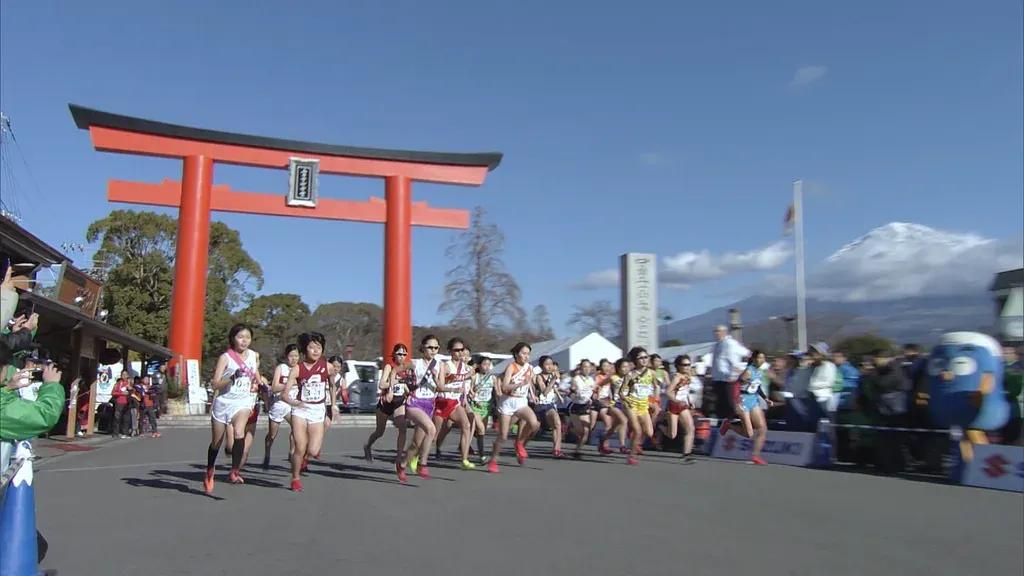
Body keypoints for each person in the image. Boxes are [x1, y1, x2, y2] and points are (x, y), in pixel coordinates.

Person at [203, 323, 265, 494]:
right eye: (240, 337)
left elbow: (256, 374)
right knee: (217, 442)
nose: (244, 341)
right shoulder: (226, 357)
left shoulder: (253, 355)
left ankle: (235, 471)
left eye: (247, 337)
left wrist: (262, 386)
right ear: (233, 338)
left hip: (243, 401)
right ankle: (210, 470)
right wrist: (231, 378)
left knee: (239, 433)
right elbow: (215, 384)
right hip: (224, 402)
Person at [282, 332, 335, 492]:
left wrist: (333, 405)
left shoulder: (328, 367)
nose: (315, 351)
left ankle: (305, 459)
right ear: (305, 349)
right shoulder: (297, 369)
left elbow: (333, 386)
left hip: (318, 410)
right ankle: (296, 478)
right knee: (300, 446)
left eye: (318, 347)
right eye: (311, 347)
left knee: (312, 450)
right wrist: (293, 402)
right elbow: (284, 394)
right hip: (301, 410)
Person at [364, 343, 415, 482]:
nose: (402, 357)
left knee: (403, 428)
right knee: (380, 432)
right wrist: (397, 381)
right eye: (399, 354)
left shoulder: (407, 368)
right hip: (385, 403)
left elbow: (408, 385)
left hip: (399, 402)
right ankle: (368, 446)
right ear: (394, 355)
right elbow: (382, 384)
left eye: (404, 354)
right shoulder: (389, 367)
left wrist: (408, 391)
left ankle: (399, 461)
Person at [487, 342, 540, 473]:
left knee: (534, 424)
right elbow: (505, 386)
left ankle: (519, 443)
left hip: (521, 402)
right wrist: (519, 384)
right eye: (523, 353)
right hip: (507, 402)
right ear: (516, 354)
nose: (526, 356)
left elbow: (530, 384)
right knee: (503, 436)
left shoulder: (529, 368)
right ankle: (493, 459)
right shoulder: (511, 367)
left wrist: (533, 395)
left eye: (528, 354)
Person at [403, 335, 443, 479]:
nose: (433, 350)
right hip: (414, 402)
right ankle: (423, 464)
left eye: (436, 348)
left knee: (416, 443)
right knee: (431, 430)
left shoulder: (439, 365)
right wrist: (395, 382)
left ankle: (402, 464)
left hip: (429, 404)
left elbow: (441, 387)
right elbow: (396, 370)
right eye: (430, 347)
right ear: (423, 348)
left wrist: (436, 377)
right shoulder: (415, 363)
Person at [432, 337, 475, 469]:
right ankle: (415, 455)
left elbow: (463, 383)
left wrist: (465, 395)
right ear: (450, 351)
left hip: (455, 402)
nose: (460, 352)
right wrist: (453, 386)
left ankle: (464, 459)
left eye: (462, 350)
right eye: (456, 350)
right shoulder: (445, 366)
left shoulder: (465, 367)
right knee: (433, 435)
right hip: (443, 401)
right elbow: (439, 386)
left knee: (466, 425)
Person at [723, 351, 773, 465]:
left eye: (763, 358)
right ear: (754, 359)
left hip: (753, 400)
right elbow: (736, 385)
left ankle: (755, 456)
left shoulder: (759, 372)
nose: (762, 360)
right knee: (749, 433)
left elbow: (757, 386)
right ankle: (729, 425)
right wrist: (737, 401)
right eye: (759, 358)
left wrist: (765, 399)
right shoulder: (748, 371)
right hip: (743, 400)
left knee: (762, 428)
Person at [618, 348, 658, 466]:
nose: (644, 360)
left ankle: (635, 441)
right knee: (638, 430)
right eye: (641, 358)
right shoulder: (630, 375)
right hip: (631, 403)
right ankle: (632, 456)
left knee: (649, 432)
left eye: (646, 357)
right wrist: (626, 400)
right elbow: (621, 392)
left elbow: (656, 386)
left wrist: (654, 399)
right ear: (635, 360)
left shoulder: (651, 373)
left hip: (643, 404)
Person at [262, 344, 299, 470]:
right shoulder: (281, 368)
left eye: (296, 356)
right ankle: (267, 454)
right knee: (272, 434)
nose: (294, 359)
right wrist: (289, 384)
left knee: (297, 428)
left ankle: (292, 453)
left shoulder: (300, 368)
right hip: (279, 403)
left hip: (292, 403)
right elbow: (274, 387)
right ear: (286, 357)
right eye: (291, 356)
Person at [710, 325, 749, 423]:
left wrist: (737, 373)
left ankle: (734, 425)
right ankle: (723, 425)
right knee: (720, 406)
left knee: (730, 406)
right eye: (715, 331)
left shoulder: (730, 344)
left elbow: (736, 360)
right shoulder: (717, 345)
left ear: (724, 332)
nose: (716, 333)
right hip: (718, 380)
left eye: (718, 331)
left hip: (728, 380)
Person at [661, 355, 696, 461]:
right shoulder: (677, 377)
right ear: (678, 366)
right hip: (673, 406)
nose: (687, 367)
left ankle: (687, 454)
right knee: (672, 435)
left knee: (690, 428)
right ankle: (661, 427)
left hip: (683, 406)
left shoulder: (688, 376)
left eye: (689, 365)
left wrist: (689, 402)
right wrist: (677, 401)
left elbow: (686, 391)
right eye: (684, 365)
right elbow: (668, 392)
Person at [532, 355, 565, 458]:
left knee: (557, 424)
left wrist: (559, 396)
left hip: (550, 405)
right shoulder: (539, 377)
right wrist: (554, 378)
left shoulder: (552, 376)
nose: (549, 366)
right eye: (547, 364)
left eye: (551, 364)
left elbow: (553, 388)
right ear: (541, 366)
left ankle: (557, 449)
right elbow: (545, 391)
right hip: (540, 406)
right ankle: (520, 445)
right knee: (533, 430)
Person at [466, 355, 497, 464]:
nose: (487, 367)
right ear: (479, 365)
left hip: (486, 406)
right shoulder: (475, 377)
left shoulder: (492, 378)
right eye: (484, 364)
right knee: (481, 429)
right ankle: (482, 455)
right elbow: (469, 391)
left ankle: (470, 447)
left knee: (481, 431)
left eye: (489, 365)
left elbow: (497, 392)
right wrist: (474, 397)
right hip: (475, 406)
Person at [595, 358, 628, 454]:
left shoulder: (630, 377)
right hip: (614, 404)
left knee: (614, 428)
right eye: (623, 367)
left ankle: (603, 438)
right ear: (618, 368)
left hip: (625, 404)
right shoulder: (613, 377)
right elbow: (600, 384)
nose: (626, 369)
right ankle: (622, 446)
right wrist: (600, 397)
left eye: (627, 367)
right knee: (624, 421)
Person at [567, 359, 596, 459]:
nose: (587, 369)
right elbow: (572, 389)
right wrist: (573, 390)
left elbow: (593, 392)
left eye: (589, 367)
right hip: (576, 407)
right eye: (584, 367)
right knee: (579, 432)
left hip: (585, 407)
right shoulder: (576, 378)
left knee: (586, 432)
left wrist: (592, 398)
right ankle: (569, 429)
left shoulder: (591, 380)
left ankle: (577, 451)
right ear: (580, 368)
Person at [1001, 345, 1023, 445]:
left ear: (1015, 355)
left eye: (1008, 353)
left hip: (1014, 410)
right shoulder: (1000, 366)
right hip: (1003, 410)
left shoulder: (1016, 369)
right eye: (1003, 353)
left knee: (1013, 439)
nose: (1005, 355)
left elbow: (1016, 390)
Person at [111, 370, 132, 439]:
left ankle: (125, 433)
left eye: (126, 374)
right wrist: (121, 393)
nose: (124, 376)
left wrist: (130, 389)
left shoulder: (129, 383)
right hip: (119, 403)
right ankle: (115, 433)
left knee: (126, 419)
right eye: (123, 374)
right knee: (117, 418)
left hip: (127, 403)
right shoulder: (118, 384)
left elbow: (134, 392)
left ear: (128, 376)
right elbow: (113, 393)